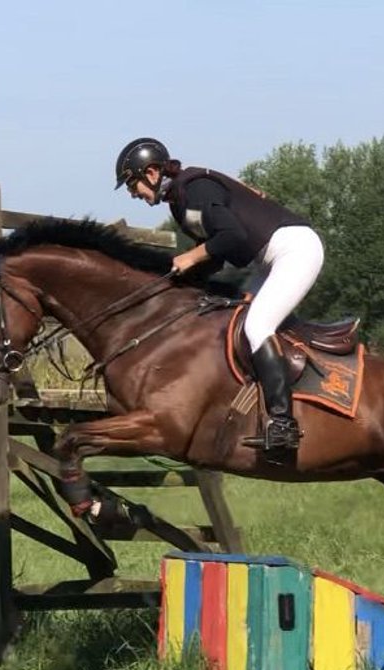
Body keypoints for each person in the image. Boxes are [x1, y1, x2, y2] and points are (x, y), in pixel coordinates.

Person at [114, 137, 324, 454]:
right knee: (234, 324)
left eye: (133, 184)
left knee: (257, 327)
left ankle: (283, 425)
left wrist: (188, 258)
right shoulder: (180, 198)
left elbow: (231, 236)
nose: (133, 193)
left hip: (294, 250)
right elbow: (221, 253)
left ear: (153, 173)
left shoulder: (192, 190)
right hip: (270, 259)